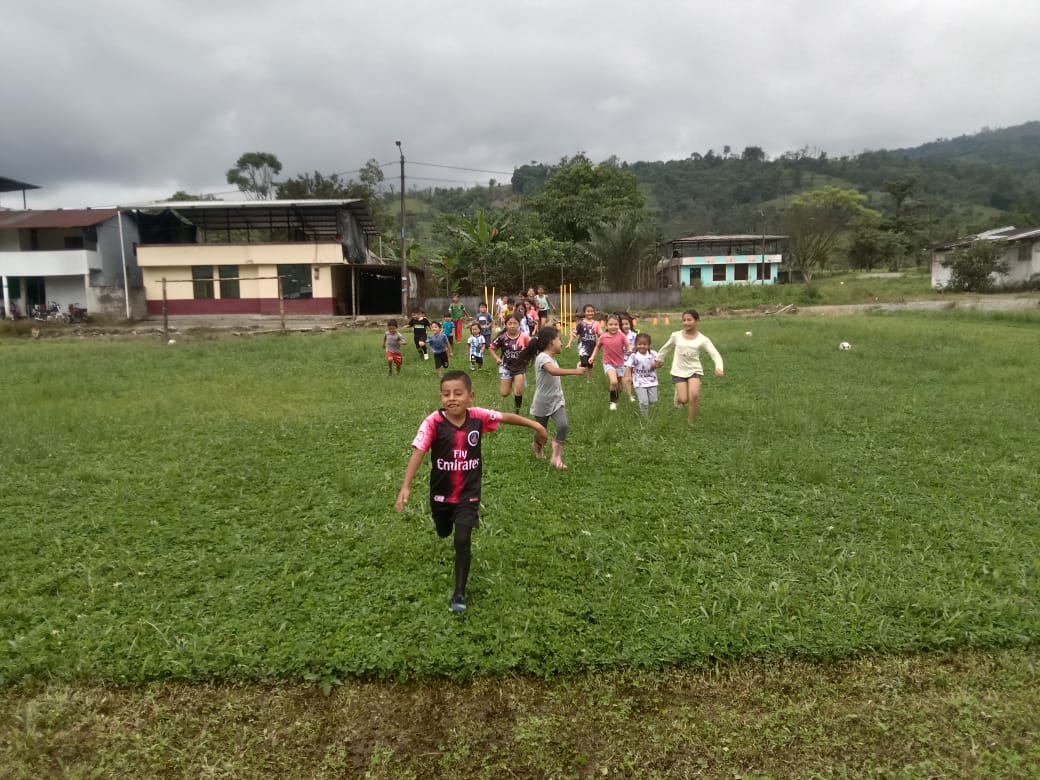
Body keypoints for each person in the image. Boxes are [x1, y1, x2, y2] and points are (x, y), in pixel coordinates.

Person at [395, 371, 549, 613]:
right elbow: (419, 452)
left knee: (462, 539)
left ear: (470, 396)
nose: (451, 398)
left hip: (468, 494)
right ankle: (445, 522)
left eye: (458, 393)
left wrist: (537, 425)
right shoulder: (433, 422)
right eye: (446, 394)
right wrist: (406, 486)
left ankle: (459, 592)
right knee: (444, 531)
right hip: (441, 494)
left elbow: (505, 417)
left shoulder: (477, 417)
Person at [520, 325, 585, 469]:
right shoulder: (542, 357)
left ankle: (556, 457)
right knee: (541, 432)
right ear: (551, 342)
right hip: (542, 402)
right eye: (559, 339)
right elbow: (553, 371)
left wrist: (579, 367)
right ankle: (537, 446)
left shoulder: (552, 358)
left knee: (563, 425)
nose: (561, 343)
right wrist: (575, 371)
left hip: (557, 400)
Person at [654, 309, 724, 424]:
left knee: (694, 395)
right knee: (683, 399)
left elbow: (715, 354)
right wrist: (659, 359)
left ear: (697, 321)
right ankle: (678, 396)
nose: (686, 323)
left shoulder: (703, 339)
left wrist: (719, 367)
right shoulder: (676, 335)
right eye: (684, 320)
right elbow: (666, 348)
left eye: (689, 320)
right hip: (678, 370)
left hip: (694, 370)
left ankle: (690, 422)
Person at [489, 312, 531, 413]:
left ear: (519, 324)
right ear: (506, 325)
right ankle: (510, 382)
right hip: (506, 367)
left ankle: (517, 411)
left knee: (519, 391)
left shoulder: (524, 337)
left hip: (519, 367)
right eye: (510, 323)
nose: (512, 326)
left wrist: (527, 357)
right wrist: (496, 358)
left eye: (515, 323)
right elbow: (491, 348)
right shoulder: (502, 337)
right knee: (504, 393)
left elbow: (531, 347)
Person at [588, 313, 629, 411]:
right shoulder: (603, 337)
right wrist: (592, 356)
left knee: (619, 386)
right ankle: (613, 402)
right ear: (606, 326)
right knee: (613, 381)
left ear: (618, 325)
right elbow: (597, 347)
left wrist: (630, 349)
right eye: (611, 324)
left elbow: (628, 344)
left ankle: (616, 395)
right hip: (608, 363)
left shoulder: (621, 336)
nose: (613, 326)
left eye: (616, 324)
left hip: (620, 363)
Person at [565, 304, 601, 384]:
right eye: (588, 311)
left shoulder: (596, 324)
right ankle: (581, 364)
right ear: (584, 312)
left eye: (592, 311)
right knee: (585, 363)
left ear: (594, 312)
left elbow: (600, 335)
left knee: (590, 364)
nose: (590, 313)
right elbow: (573, 334)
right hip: (582, 347)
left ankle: (589, 380)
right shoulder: (580, 324)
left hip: (592, 348)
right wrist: (569, 343)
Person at [627, 332, 659, 417]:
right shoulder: (634, 356)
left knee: (653, 400)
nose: (642, 346)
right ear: (636, 344)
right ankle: (644, 418)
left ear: (649, 345)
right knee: (644, 402)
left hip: (652, 381)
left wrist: (657, 364)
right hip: (639, 381)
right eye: (639, 344)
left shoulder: (653, 354)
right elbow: (628, 366)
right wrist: (628, 376)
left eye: (645, 344)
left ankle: (650, 410)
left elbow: (660, 363)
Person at [619, 313, 638, 402]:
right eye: (622, 325)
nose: (625, 326)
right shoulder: (618, 335)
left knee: (632, 378)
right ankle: (630, 395)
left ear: (630, 324)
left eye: (626, 324)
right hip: (621, 359)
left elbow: (638, 347)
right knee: (627, 377)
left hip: (632, 358)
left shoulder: (634, 335)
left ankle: (625, 389)